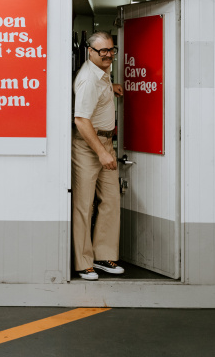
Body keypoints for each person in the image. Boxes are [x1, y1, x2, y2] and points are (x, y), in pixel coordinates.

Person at [72, 30, 125, 280]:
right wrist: (102, 152)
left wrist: (110, 88)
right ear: (90, 52)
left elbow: (95, 98)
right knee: (84, 205)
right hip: (88, 146)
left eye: (111, 49)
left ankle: (103, 256)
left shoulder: (101, 74)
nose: (108, 55)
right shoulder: (88, 79)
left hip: (105, 142)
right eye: (102, 51)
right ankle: (84, 262)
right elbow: (81, 120)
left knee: (111, 200)